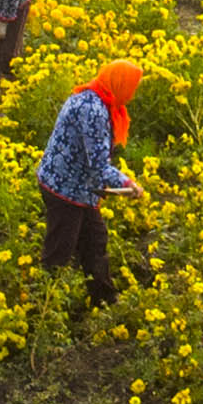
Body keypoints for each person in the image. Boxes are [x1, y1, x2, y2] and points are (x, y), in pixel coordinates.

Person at [35, 59, 141, 303]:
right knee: (59, 252)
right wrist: (128, 184)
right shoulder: (93, 110)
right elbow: (98, 165)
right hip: (65, 189)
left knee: (94, 241)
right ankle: (42, 306)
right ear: (119, 84)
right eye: (131, 88)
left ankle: (104, 301)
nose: (132, 95)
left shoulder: (93, 97)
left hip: (77, 186)